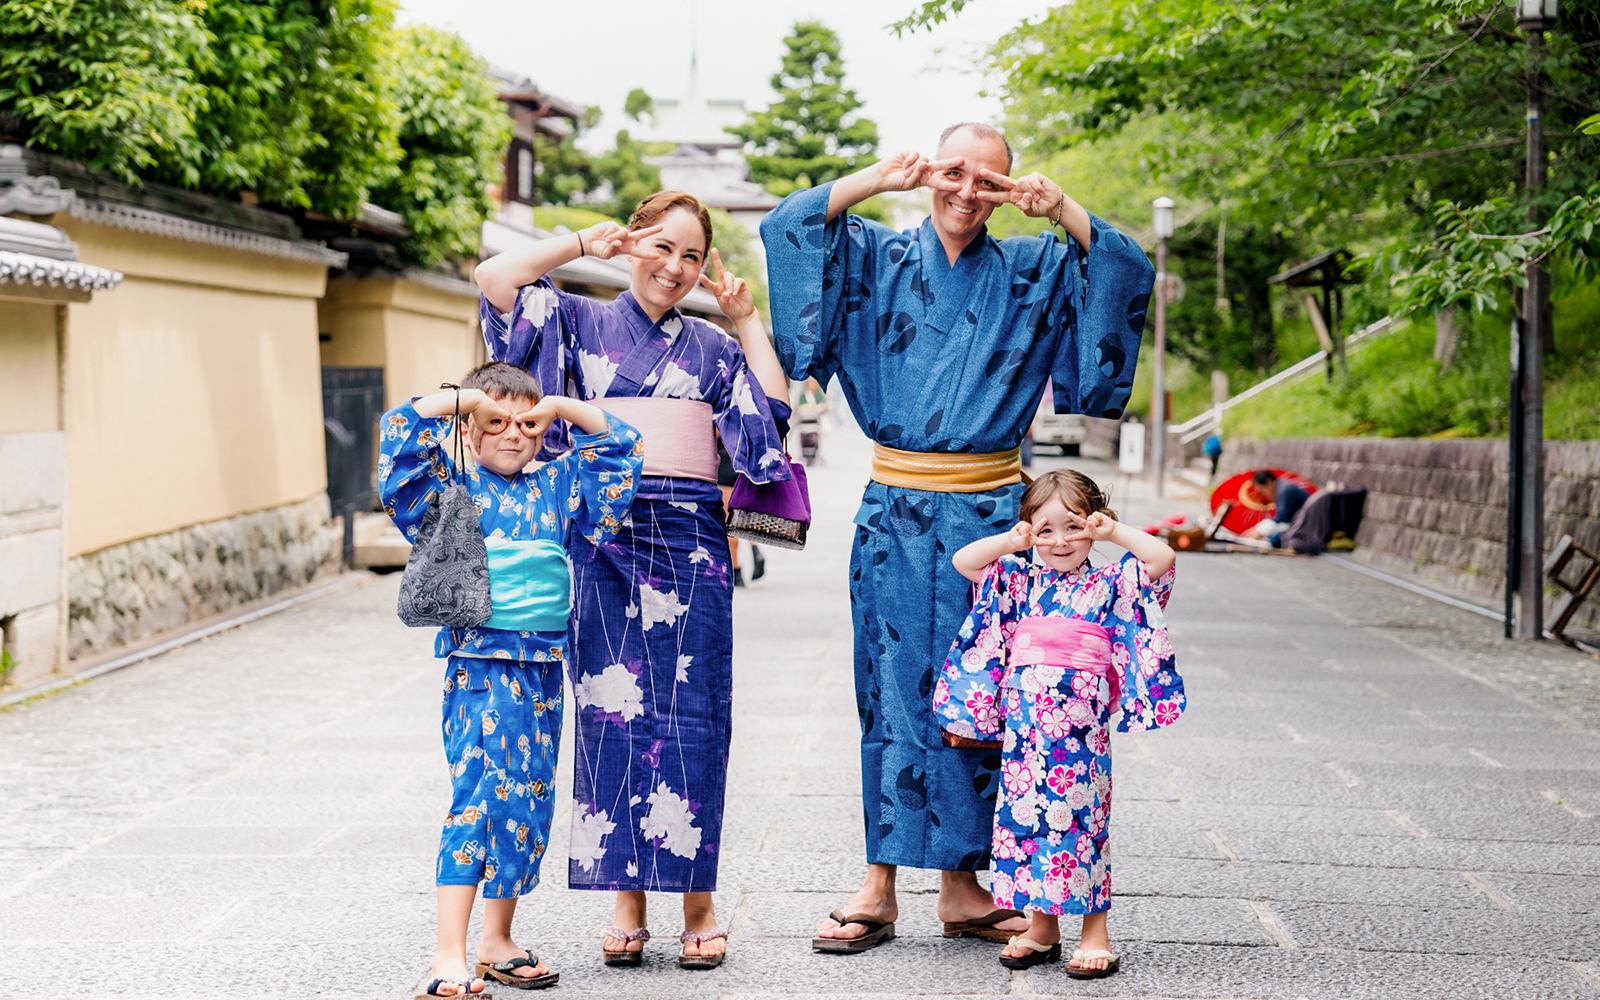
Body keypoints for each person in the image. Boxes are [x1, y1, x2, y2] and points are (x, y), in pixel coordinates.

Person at [760, 122, 1155, 950]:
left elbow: (1124, 266)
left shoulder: (1038, 264)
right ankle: (879, 882)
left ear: (1010, 189)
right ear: (929, 171)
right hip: (896, 510)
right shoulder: (875, 254)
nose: (966, 194)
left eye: (989, 182)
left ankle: (965, 887)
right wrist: (875, 179)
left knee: (988, 694)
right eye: (952, 174)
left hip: (992, 516)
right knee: (890, 688)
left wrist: (1064, 211)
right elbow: (791, 226)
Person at [475, 191, 790, 969]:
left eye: (691, 256)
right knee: (611, 708)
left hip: (689, 537)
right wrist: (585, 240)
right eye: (662, 248)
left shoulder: (713, 348)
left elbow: (769, 418)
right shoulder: (578, 319)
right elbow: (495, 277)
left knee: (694, 713)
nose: (675, 268)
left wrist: (747, 318)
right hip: (604, 532)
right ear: (635, 243)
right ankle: (626, 897)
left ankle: (699, 901)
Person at [378, 363, 643, 997]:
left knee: (527, 803)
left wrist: (561, 406)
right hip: (480, 667)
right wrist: (461, 399)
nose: (513, 434)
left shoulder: (556, 485)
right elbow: (396, 433)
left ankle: (496, 941)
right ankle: (448, 955)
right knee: (477, 799)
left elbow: (623, 447)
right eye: (495, 423)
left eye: (526, 425)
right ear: (468, 430)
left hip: (543, 672)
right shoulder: (450, 490)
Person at [936, 470, 1183, 978]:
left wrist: (1113, 533)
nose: (1059, 541)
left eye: (1073, 526)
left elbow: (1161, 557)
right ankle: (1042, 925)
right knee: (1025, 822)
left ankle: (1096, 931)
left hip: (1080, 731)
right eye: (1043, 530)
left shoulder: (1112, 578)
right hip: (1026, 730)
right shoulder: (1020, 578)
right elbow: (965, 561)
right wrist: (1012, 539)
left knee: (1081, 821)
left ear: (1094, 524)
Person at [1243, 470, 1311, 546]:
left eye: (1262, 490)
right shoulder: (1282, 487)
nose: (1264, 494)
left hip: (1305, 528)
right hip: (1301, 524)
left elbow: (1282, 518)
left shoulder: (1284, 490)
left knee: (1274, 539)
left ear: (1269, 482)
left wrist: (1260, 530)